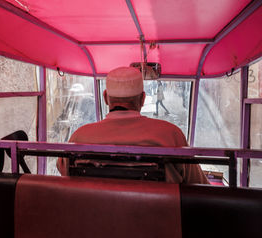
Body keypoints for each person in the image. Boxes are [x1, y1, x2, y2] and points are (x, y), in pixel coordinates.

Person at [57, 66, 209, 184]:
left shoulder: (79, 137)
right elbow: (200, 187)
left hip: (94, 221)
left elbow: (64, 172)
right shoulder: (171, 135)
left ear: (105, 98)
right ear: (143, 99)